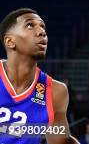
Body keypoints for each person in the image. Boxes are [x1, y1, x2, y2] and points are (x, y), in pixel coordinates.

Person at [0, 8, 79, 143]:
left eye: (42, 26)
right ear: (10, 41)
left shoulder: (55, 92)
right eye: (30, 25)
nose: (42, 32)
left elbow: (60, 140)